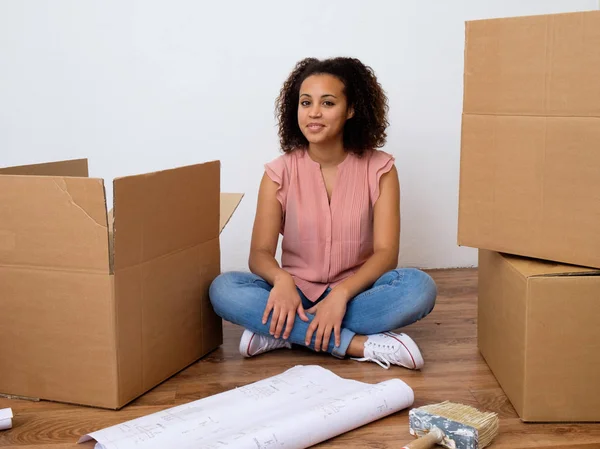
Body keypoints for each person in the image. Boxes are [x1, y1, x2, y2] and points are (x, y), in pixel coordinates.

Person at [209, 57, 437, 369]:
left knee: (419, 288)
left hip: (355, 296)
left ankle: (284, 334)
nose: (314, 112)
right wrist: (281, 281)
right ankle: (356, 344)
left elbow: (386, 254)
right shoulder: (279, 172)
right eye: (306, 102)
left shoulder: (380, 169)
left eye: (327, 102)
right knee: (224, 290)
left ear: (351, 110)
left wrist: (340, 295)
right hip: (295, 295)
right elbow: (260, 253)